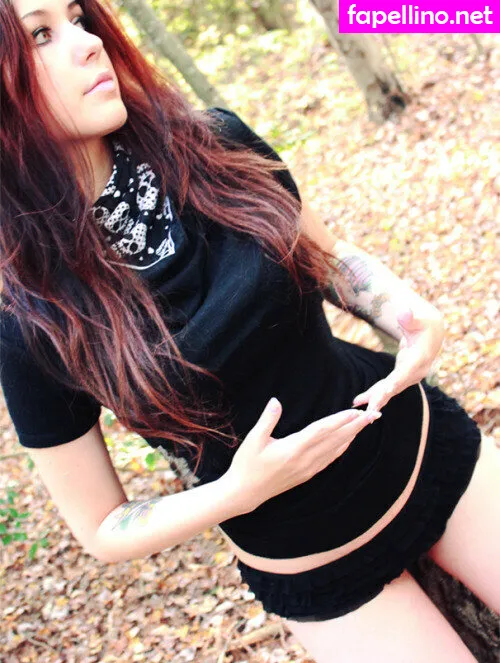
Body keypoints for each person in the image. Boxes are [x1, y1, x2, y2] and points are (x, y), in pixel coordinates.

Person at [0, 0, 498, 660]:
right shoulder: (29, 310)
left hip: (424, 447)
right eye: (40, 35)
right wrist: (235, 492)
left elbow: (325, 258)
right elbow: (101, 524)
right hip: (318, 568)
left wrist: (405, 310)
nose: (87, 43)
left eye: (79, 19)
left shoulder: (212, 143)